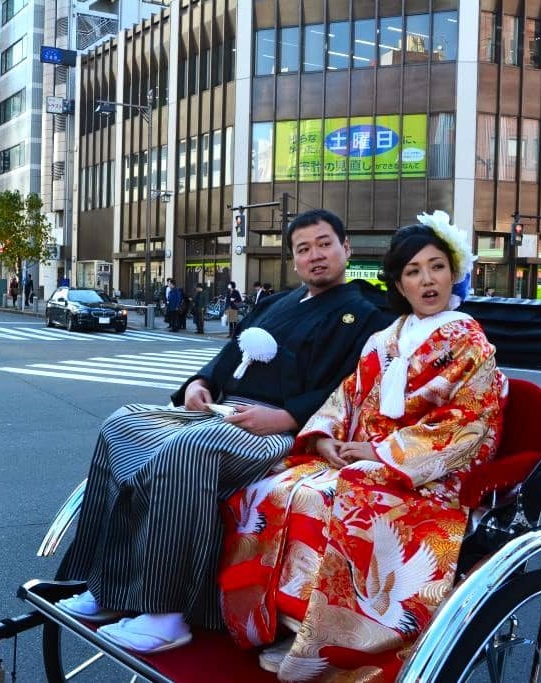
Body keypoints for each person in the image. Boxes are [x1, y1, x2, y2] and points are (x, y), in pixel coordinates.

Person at [55, 209, 394, 654]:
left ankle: (165, 611)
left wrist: (288, 417)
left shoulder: (367, 313)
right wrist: (200, 384)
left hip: (276, 427)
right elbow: (228, 356)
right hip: (222, 411)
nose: (316, 256)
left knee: (188, 448)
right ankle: (108, 584)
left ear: (346, 248)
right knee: (123, 425)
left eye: (325, 244)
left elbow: (350, 386)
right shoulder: (277, 303)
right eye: (304, 248)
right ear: (293, 259)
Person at [219, 212, 507, 681]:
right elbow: (348, 396)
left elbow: (468, 424)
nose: (427, 280)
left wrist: (381, 453)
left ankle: (334, 644)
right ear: (400, 283)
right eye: (412, 272)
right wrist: (327, 436)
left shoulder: (471, 343)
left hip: (427, 477)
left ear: (454, 273)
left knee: (335, 496)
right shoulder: (383, 339)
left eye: (436, 267)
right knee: (272, 487)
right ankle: (278, 620)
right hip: (363, 455)